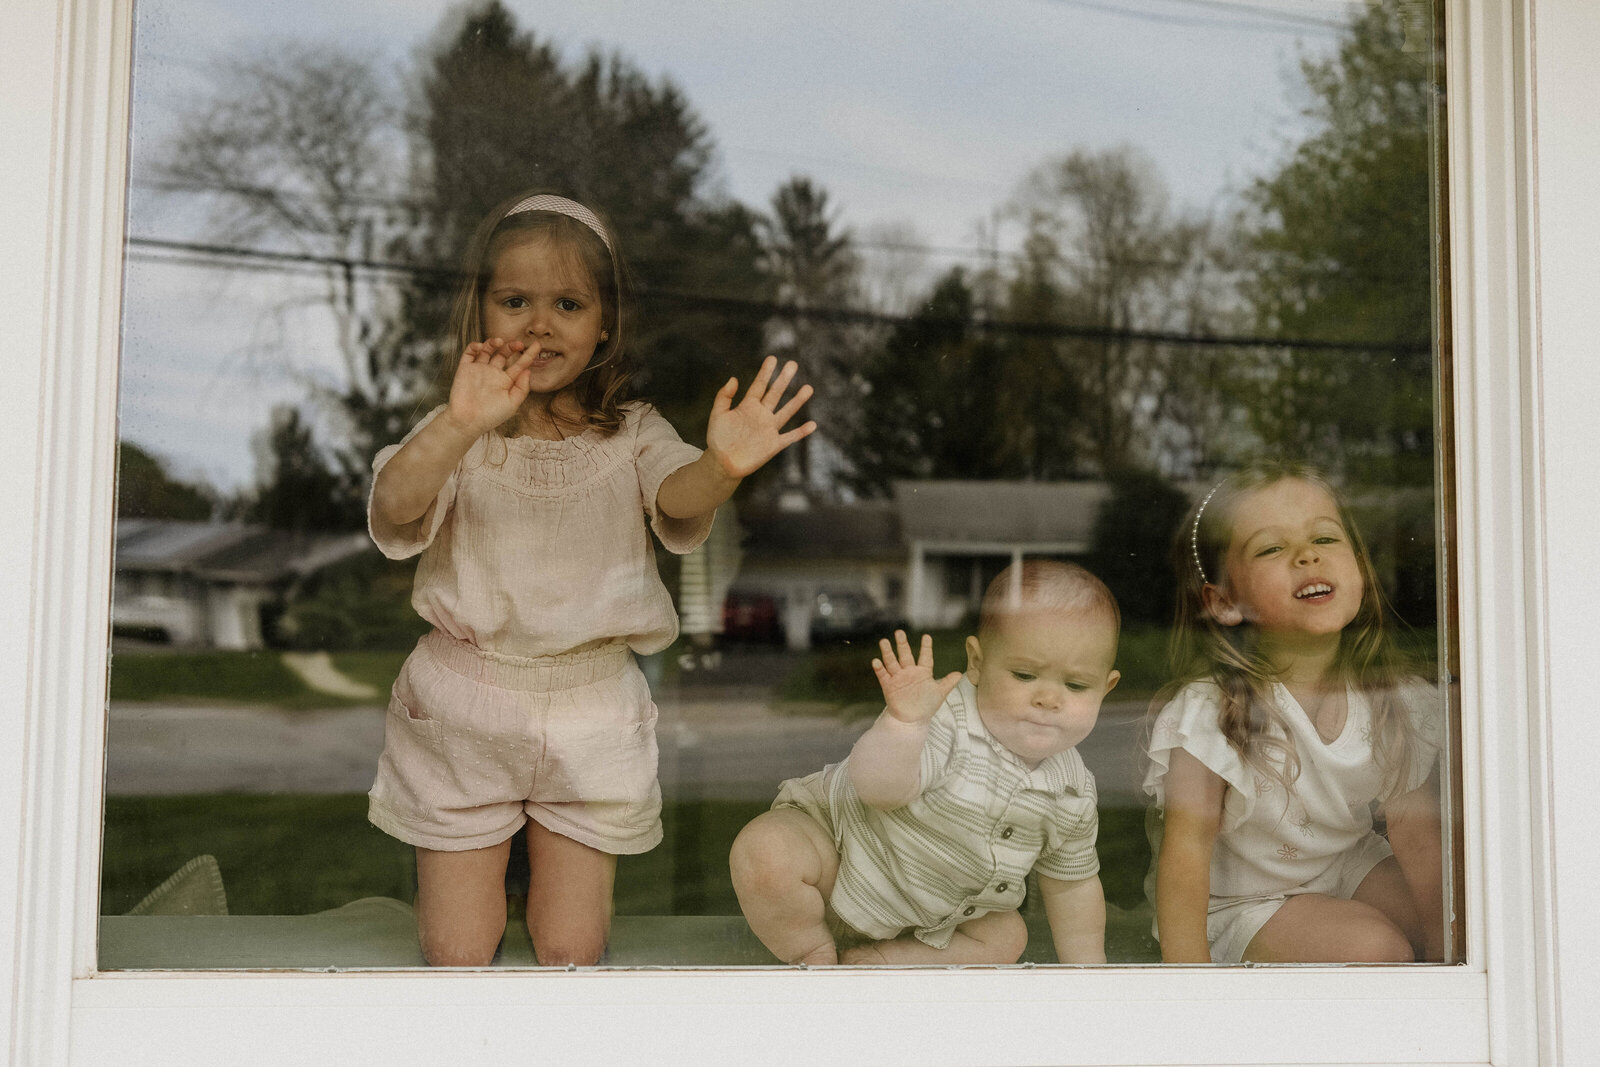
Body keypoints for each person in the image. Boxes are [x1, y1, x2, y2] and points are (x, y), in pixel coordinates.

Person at [366, 191, 815, 967]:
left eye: (567, 303)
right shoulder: (456, 428)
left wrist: (722, 467)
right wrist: (459, 422)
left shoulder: (633, 429)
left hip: (591, 709)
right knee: (457, 953)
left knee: (573, 947)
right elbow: (397, 506)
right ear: (479, 314)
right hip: (465, 703)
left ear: (604, 323)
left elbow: (678, 497)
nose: (539, 323)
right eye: (515, 301)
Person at [730, 561, 1121, 965]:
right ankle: (812, 953)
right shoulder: (947, 720)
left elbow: (1072, 888)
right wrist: (905, 723)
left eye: (1076, 686)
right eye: (1024, 675)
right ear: (977, 662)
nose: (1048, 699)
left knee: (1007, 937)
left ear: (1105, 688)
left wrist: (1088, 973)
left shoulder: (1074, 792)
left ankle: (888, 959)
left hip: (932, 917)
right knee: (767, 852)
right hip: (840, 859)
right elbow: (878, 790)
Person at [1145, 462, 1444, 964]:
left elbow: (1418, 842)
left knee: (1460, 914)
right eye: (1272, 548)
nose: (1307, 556)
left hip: (1344, 865)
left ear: (1360, 569)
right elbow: (1186, 857)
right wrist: (1190, 993)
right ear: (1224, 602)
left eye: (1325, 539)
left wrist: (1451, 964)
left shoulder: (1391, 698)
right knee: (1376, 949)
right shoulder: (1213, 712)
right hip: (1244, 901)